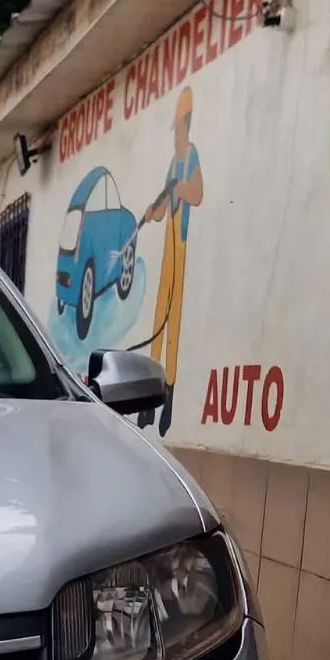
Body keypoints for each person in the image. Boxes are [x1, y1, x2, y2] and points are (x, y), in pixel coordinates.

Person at [139, 86, 204, 436]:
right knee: (158, 321)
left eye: (178, 125)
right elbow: (165, 204)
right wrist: (154, 211)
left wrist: (178, 189)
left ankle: (170, 399)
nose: (175, 132)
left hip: (181, 244)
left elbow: (197, 193)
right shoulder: (171, 162)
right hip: (168, 245)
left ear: (186, 124)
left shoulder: (190, 156)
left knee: (174, 322)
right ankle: (148, 403)